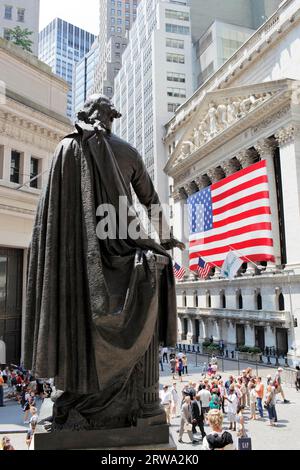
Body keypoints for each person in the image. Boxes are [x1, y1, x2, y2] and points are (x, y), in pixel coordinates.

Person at [24, 94, 184, 431]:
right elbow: (151, 200)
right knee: (156, 265)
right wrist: (165, 238)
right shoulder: (117, 150)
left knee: (153, 267)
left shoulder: (68, 148)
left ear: (85, 114)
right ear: (112, 117)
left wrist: (165, 238)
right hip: (114, 254)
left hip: (76, 264)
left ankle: (90, 389)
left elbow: (51, 223)